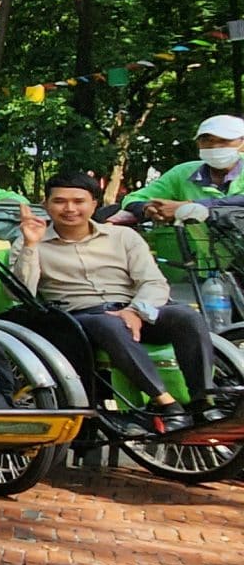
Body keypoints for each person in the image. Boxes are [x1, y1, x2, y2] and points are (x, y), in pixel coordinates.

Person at [17, 173, 213, 422]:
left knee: (186, 316)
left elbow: (153, 282)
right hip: (81, 318)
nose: (70, 209)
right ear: (45, 205)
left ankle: (203, 401)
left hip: (136, 309)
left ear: (94, 204)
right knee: (109, 324)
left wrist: (135, 311)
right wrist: (31, 246)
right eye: (60, 201)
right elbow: (21, 293)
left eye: (79, 201)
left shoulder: (124, 237)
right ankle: (166, 403)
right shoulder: (29, 241)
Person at [116, 115, 244, 222]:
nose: (215, 146)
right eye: (207, 141)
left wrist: (188, 208)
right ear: (198, 143)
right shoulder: (183, 172)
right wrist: (148, 208)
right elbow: (133, 198)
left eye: (225, 141)